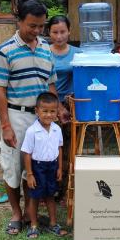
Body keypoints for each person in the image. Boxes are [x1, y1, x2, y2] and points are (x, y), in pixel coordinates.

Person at [0, 0, 65, 235]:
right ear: (19, 21)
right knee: (13, 166)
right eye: (32, 25)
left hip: (42, 120)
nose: (37, 31)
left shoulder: (45, 48)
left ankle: (29, 211)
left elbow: (50, 84)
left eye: (41, 26)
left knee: (33, 167)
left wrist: (58, 109)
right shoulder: (6, 50)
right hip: (17, 116)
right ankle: (16, 214)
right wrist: (6, 125)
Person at [21, 91, 67, 238]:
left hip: (52, 167)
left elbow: (59, 149)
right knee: (35, 197)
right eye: (45, 111)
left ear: (57, 112)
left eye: (52, 111)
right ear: (37, 111)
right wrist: (29, 174)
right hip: (37, 167)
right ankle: (34, 225)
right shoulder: (32, 131)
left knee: (50, 196)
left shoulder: (57, 129)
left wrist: (59, 168)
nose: (49, 115)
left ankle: (53, 224)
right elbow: (27, 153)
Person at [47, 15, 81, 201]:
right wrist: (55, 107)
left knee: (68, 146)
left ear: (69, 31)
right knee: (49, 147)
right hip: (48, 105)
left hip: (70, 104)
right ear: (49, 33)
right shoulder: (44, 52)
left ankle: (67, 187)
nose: (59, 36)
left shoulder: (78, 53)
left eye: (63, 32)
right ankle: (49, 187)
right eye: (55, 32)